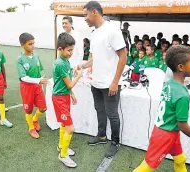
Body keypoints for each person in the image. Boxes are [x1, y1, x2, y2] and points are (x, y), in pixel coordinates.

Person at [133, 45, 190, 172]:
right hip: (165, 134)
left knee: (180, 158)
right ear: (180, 67)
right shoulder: (183, 95)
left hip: (167, 130)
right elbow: (183, 125)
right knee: (147, 166)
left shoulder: (169, 84)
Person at [82, 1, 127, 158]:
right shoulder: (94, 33)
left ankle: (115, 142)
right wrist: (82, 67)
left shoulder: (112, 31)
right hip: (96, 82)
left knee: (112, 114)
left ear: (94, 12)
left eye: (85, 15)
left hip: (110, 84)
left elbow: (123, 56)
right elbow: (93, 59)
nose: (85, 19)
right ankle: (101, 136)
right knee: (99, 110)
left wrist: (115, 81)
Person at [52, 32, 82, 167]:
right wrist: (79, 76)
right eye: (69, 50)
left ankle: (60, 146)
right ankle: (63, 155)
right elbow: (70, 83)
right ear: (60, 49)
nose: (71, 53)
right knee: (70, 128)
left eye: (72, 50)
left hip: (63, 96)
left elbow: (66, 84)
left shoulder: (64, 61)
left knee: (64, 124)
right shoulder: (60, 63)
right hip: (59, 99)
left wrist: (71, 94)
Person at [17, 33, 48, 138]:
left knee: (43, 108)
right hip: (26, 87)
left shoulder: (36, 56)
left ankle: (35, 119)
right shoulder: (20, 59)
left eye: (33, 43)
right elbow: (23, 77)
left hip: (37, 86)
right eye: (30, 44)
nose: (33, 46)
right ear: (22, 45)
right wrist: (38, 80)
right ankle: (31, 128)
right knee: (28, 110)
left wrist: (40, 82)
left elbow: (40, 72)